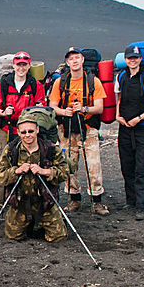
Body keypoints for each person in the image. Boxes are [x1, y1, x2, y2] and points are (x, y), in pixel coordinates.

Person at [49, 47, 110, 216]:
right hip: (66, 129)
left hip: (88, 128)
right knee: (69, 165)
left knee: (93, 165)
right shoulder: (60, 82)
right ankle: (74, 198)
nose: (74, 61)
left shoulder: (93, 81)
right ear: (67, 62)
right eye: (71, 59)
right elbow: (53, 106)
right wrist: (64, 112)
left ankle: (97, 201)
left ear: (82, 60)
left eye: (77, 58)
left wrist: (83, 108)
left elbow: (99, 107)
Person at [0, 115, 70, 242]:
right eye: (23, 132)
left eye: (31, 131)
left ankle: (53, 219)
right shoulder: (11, 150)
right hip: (20, 202)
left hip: (45, 202)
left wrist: (45, 171)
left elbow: (65, 173)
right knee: (13, 236)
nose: (27, 135)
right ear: (18, 132)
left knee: (58, 237)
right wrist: (16, 171)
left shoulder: (50, 149)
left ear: (37, 130)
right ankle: (28, 224)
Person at [0, 51, 46, 212]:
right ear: (13, 65)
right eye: (18, 64)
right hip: (6, 128)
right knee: (2, 162)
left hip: (27, 131)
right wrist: (3, 112)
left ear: (28, 66)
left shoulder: (36, 85)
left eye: (24, 64)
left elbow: (41, 105)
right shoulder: (3, 85)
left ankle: (24, 200)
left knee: (28, 162)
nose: (21, 68)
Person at [114, 45, 144, 220]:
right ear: (125, 60)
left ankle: (141, 205)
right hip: (125, 126)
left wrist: (139, 118)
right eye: (129, 58)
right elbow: (119, 98)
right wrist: (118, 116)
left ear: (140, 59)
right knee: (127, 164)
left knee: (141, 166)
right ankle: (131, 200)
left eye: (135, 57)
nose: (132, 61)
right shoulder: (122, 76)